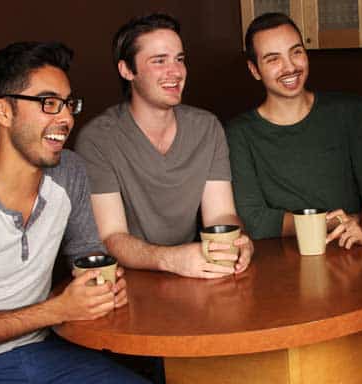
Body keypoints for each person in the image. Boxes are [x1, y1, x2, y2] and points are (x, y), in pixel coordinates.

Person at [0, 42, 156, 384]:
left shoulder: (69, 171)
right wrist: (59, 310)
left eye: (69, 104)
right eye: (48, 103)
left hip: (45, 353)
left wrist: (104, 285)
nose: (66, 118)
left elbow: (87, 254)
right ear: (2, 111)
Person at [75, 14, 254, 279]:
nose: (176, 71)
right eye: (159, 61)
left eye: (179, 59)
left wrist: (237, 241)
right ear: (126, 70)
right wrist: (172, 259)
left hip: (197, 272)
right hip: (131, 282)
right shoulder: (97, 139)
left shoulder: (207, 127)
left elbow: (221, 215)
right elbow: (111, 237)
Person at [225, 13, 362, 248]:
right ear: (254, 70)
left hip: (351, 250)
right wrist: (330, 223)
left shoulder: (349, 111)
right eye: (273, 59)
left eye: (296, 52)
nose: (290, 67)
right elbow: (255, 220)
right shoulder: (239, 133)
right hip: (283, 258)